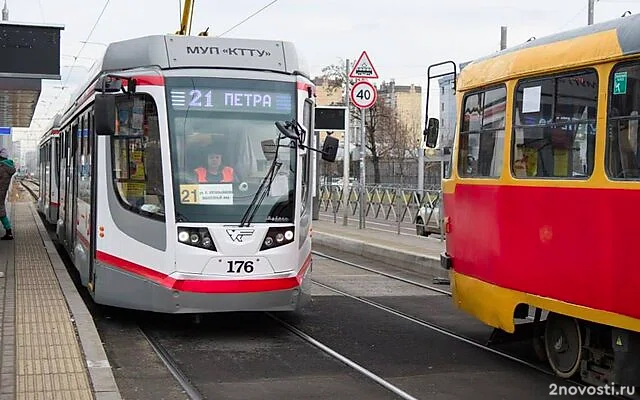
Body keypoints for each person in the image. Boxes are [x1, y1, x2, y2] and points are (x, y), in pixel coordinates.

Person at [0, 148, 16, 240]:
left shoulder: (2, 167)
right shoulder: (8, 166)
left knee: (1, 212)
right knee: (1, 212)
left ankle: (9, 232)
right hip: (2, 192)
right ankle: (8, 232)